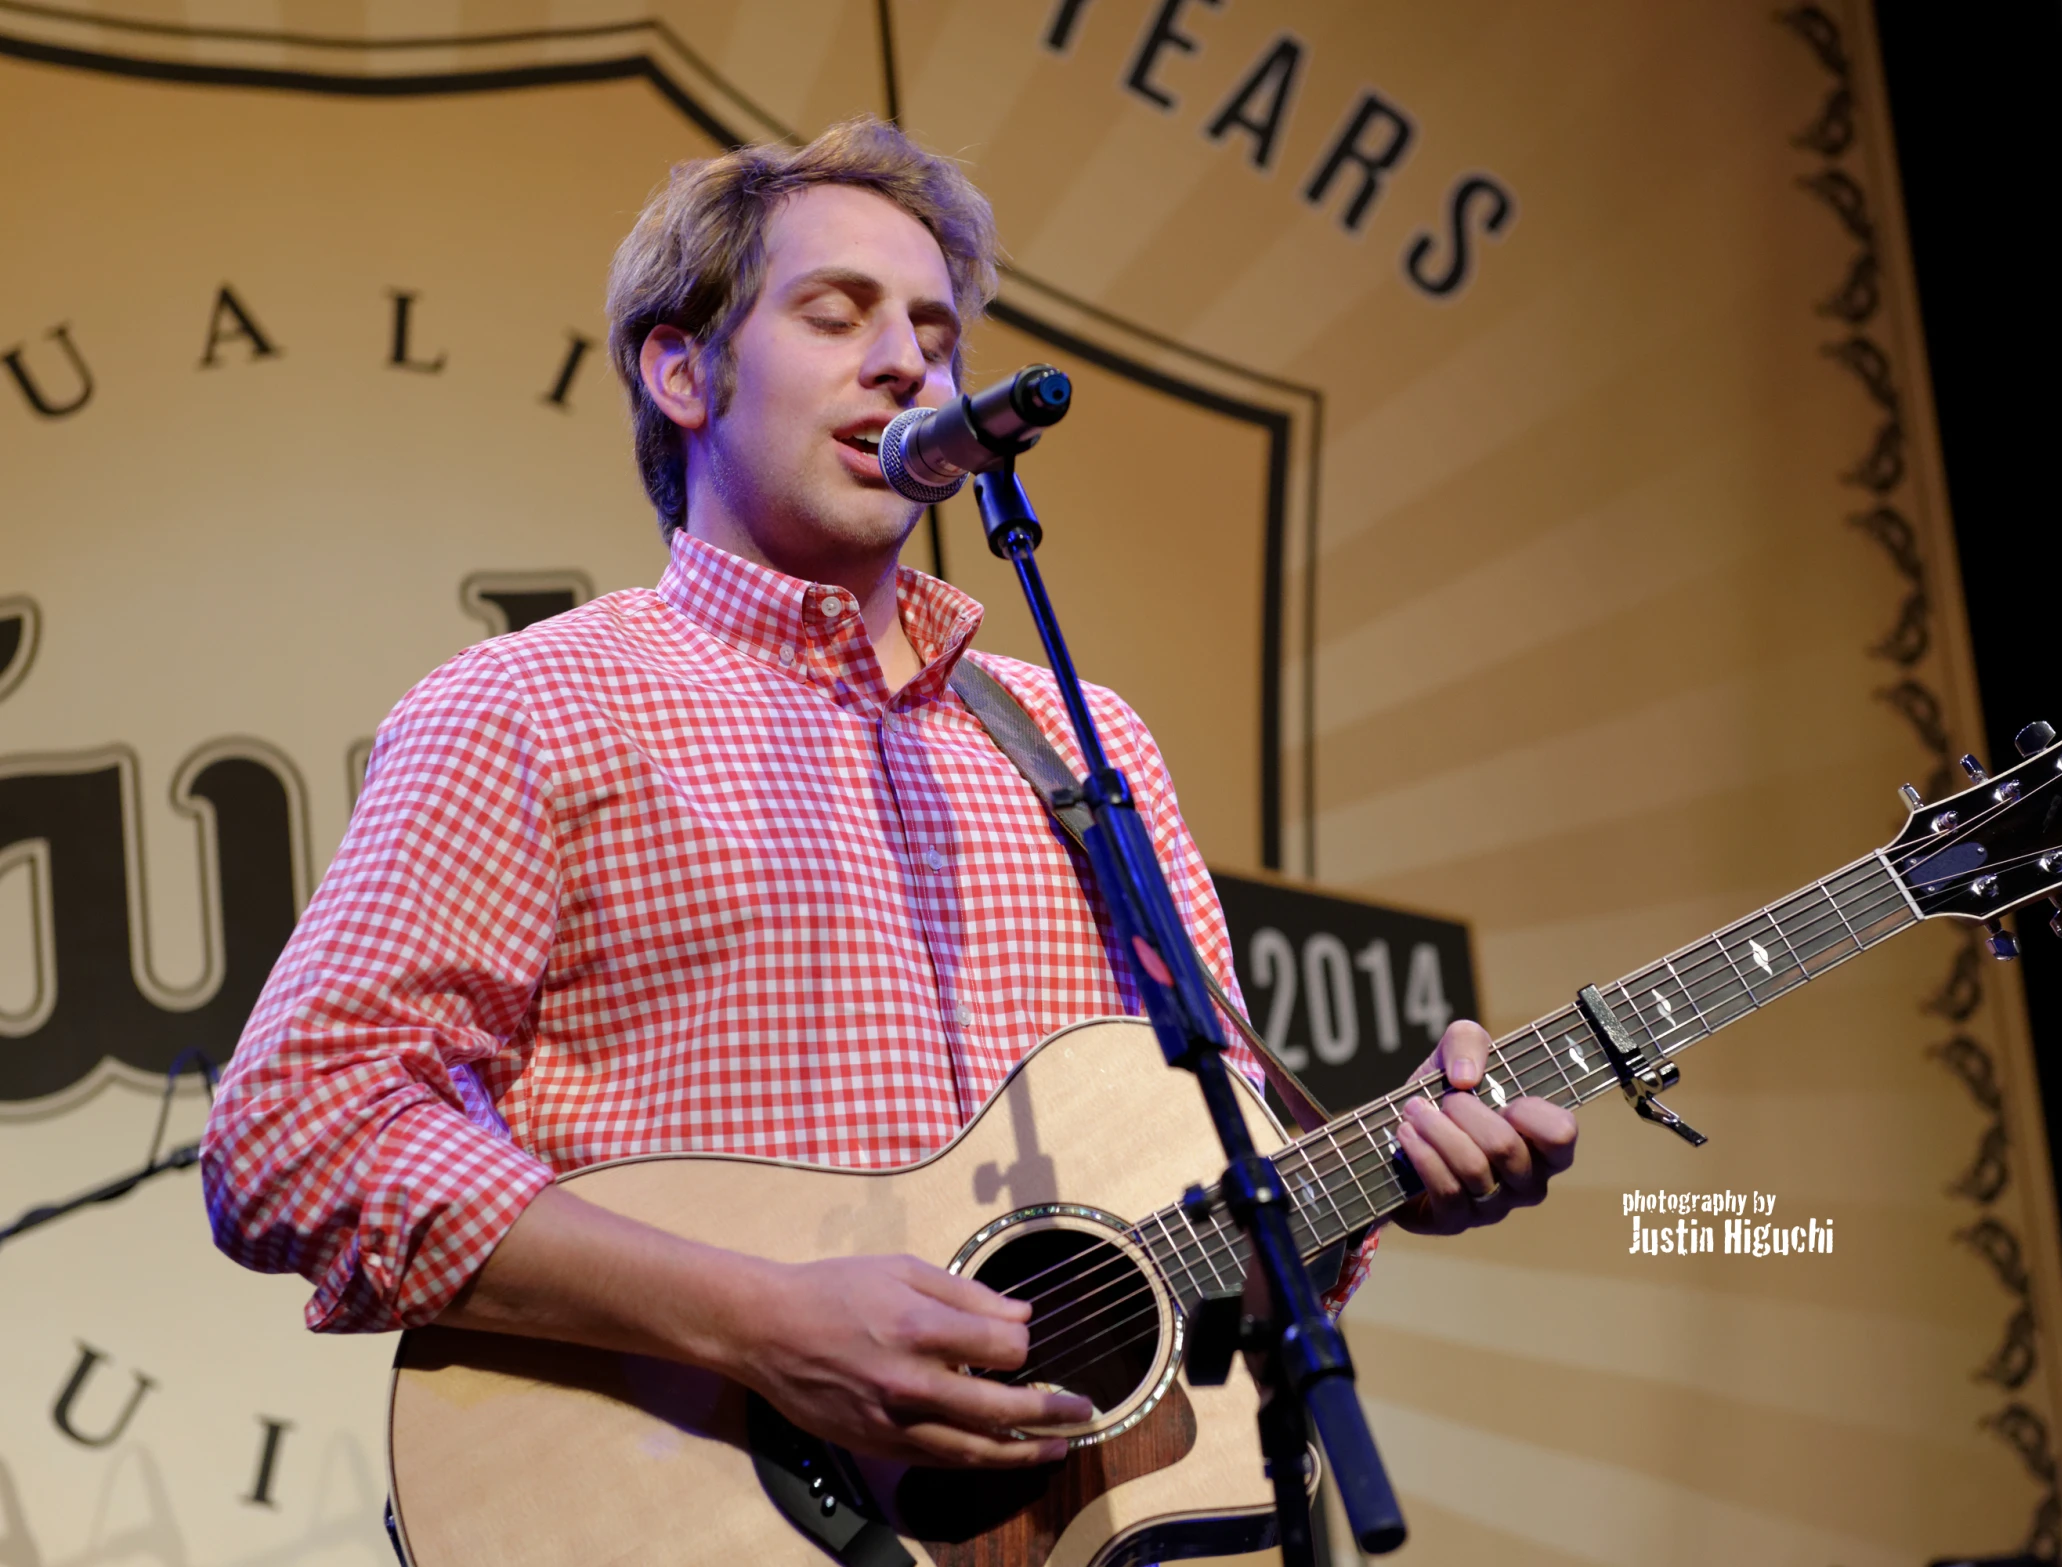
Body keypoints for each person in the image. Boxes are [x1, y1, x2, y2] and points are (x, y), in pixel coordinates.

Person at [200, 117, 1578, 1474]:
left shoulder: (1081, 739)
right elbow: (293, 1131)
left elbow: (1198, 1230)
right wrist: (759, 1320)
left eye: (932, 327)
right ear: (682, 371)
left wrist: (1377, 1181)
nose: (904, 360)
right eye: (835, 311)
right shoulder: (530, 705)